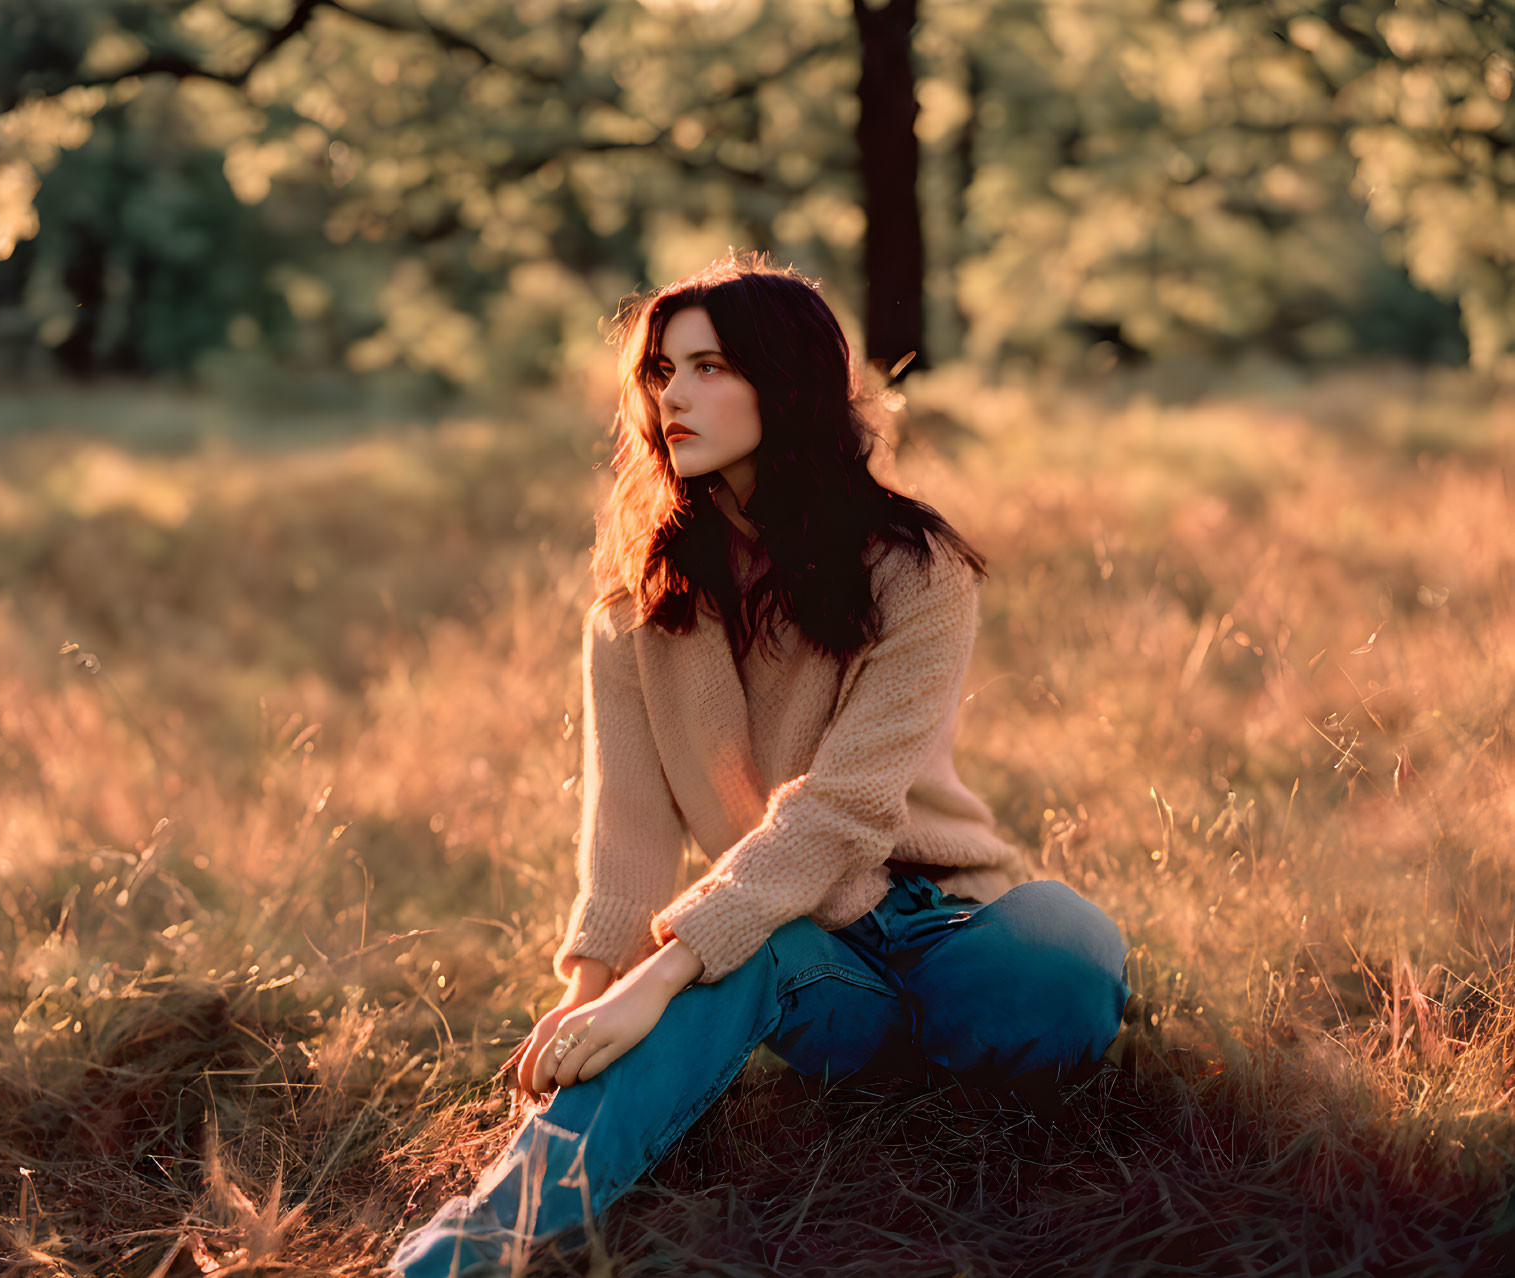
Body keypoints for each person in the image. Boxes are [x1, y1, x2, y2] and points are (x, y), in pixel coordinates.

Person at [389, 251, 1129, 1277]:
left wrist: (662, 976)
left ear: (785, 385)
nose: (671, 397)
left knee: (1063, 935)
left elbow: (844, 809)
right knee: (742, 947)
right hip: (800, 949)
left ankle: (985, 1109)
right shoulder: (637, 601)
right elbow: (627, 823)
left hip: (951, 937)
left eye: (707, 368)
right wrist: (597, 983)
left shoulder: (914, 570)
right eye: (659, 371)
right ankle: (457, 1259)